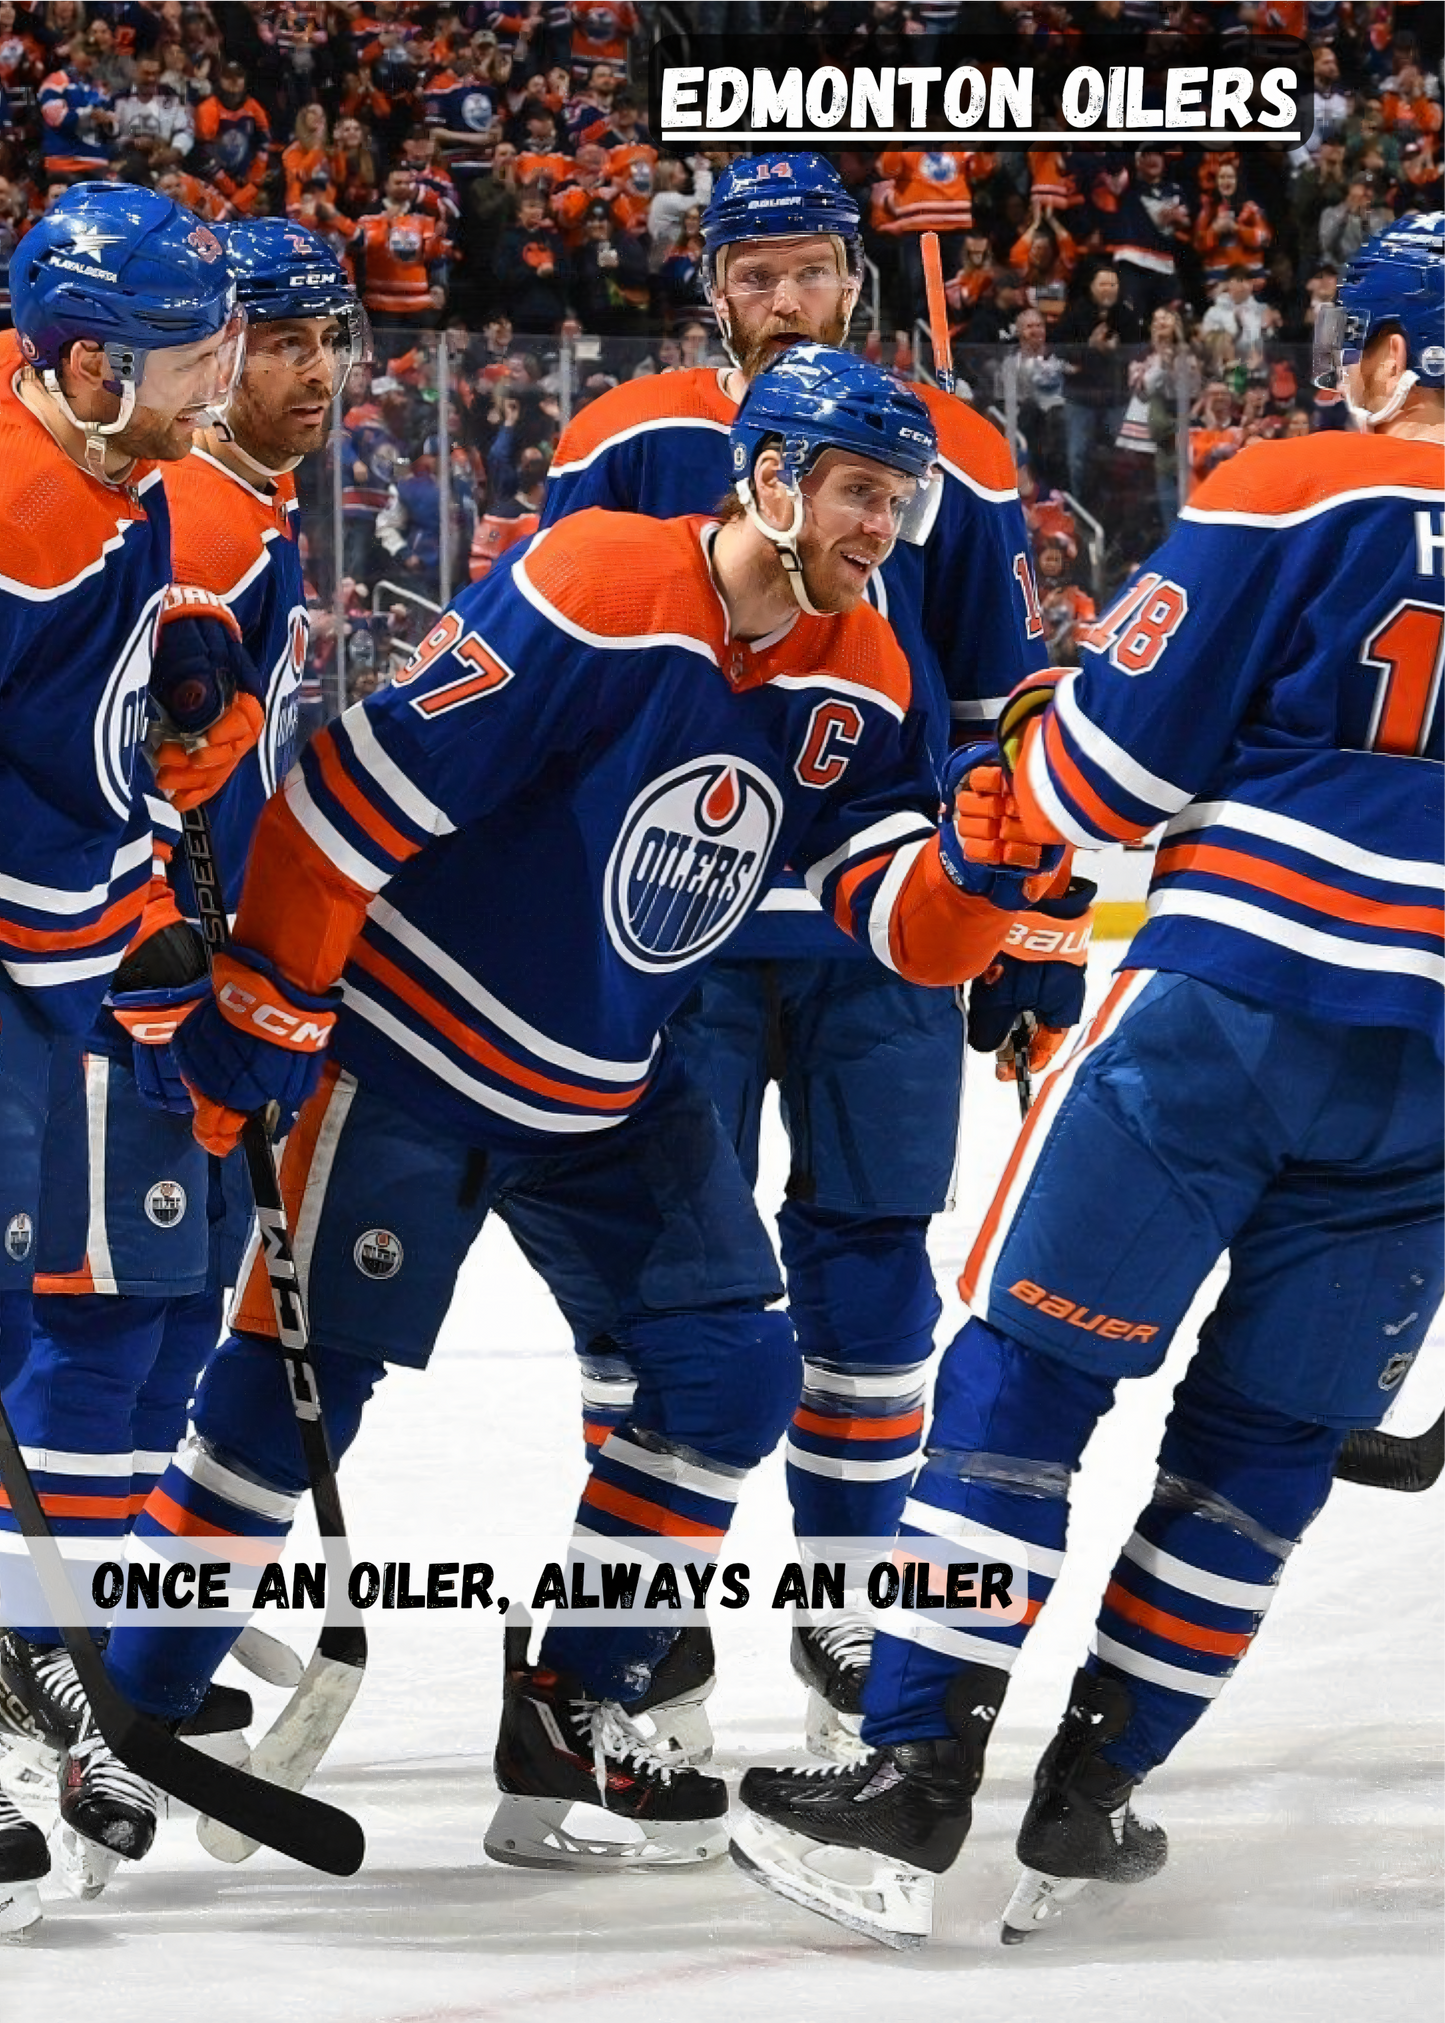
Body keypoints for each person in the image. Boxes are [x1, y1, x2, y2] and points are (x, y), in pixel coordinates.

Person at [64, 345, 1063, 1881]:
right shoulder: (598, 581)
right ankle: (125, 1709)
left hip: (610, 1081)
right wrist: (271, 1000)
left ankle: (572, 1698)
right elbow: (351, 792)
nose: (886, 528)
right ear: (776, 476)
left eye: (902, 496)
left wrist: (983, 883)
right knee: (286, 1388)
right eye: (863, 492)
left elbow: (888, 913)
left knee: (732, 1374)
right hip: (412, 1050)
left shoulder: (867, 671)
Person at [730, 215, 1445, 1949]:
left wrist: (1024, 769)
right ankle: (1096, 1788)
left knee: (1029, 1377)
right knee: (1267, 1439)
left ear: (1387, 352)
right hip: (1429, 1092)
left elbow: (1109, 768)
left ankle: (907, 1778)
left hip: (1231, 1004)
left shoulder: (1305, 482)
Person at [539, 151, 1072, 1764]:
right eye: (753, 274)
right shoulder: (621, 444)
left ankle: (841, 1588)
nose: (784, 300)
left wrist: (1028, 921)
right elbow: (558, 682)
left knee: (869, 1271)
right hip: (665, 935)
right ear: (710, 282)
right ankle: (657, 1589)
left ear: (854, 274)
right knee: (659, 1299)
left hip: (878, 933)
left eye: (811, 272)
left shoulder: (953, 457)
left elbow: (1006, 710)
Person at [0, 219, 369, 1904]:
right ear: (94, 363)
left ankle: (63, 1685)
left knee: (131, 1332)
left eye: (281, 340)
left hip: (105, 977)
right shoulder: (104, 516)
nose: (252, 376)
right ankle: (43, 1699)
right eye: (225, 345)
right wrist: (157, 925)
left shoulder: (151, 504)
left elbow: (117, 775)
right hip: (77, 998)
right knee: (97, 1325)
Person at [0, 180, 244, 1936]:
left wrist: (147, 858)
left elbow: (78, 766)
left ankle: (28, 1682)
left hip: (56, 987)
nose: (208, 384)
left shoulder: (125, 486)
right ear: (89, 360)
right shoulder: (18, 512)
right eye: (184, 358)